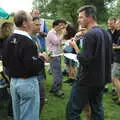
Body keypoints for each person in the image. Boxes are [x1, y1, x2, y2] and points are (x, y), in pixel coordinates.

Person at [66, 5, 112, 120]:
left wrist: (75, 46)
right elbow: (110, 57)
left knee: (72, 111)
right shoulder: (105, 32)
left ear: (90, 17)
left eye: (81, 17)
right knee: (97, 109)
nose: (78, 20)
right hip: (101, 79)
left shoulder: (90, 35)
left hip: (86, 80)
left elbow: (84, 60)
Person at [2, 10, 47, 120]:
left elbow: (5, 62)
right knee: (29, 116)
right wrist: (42, 58)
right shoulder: (28, 41)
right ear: (24, 23)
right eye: (31, 20)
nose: (33, 23)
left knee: (18, 116)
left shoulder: (9, 39)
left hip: (14, 82)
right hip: (27, 83)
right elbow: (33, 68)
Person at [47, 19, 66, 98]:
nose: (62, 27)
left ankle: (54, 88)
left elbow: (59, 43)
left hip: (57, 54)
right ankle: (57, 90)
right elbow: (56, 42)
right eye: (60, 25)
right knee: (57, 74)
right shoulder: (51, 33)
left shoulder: (56, 33)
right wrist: (63, 34)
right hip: (53, 56)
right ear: (55, 25)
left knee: (57, 72)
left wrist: (65, 42)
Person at [31, 16, 47, 113]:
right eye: (36, 25)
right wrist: (41, 56)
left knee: (40, 100)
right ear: (29, 24)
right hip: (34, 74)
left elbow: (39, 52)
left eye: (40, 25)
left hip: (39, 72)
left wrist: (44, 56)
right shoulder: (29, 39)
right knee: (40, 100)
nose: (39, 27)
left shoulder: (36, 37)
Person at [111, 18, 120, 105]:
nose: (115, 25)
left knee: (115, 78)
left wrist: (114, 47)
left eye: (117, 23)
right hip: (117, 58)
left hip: (118, 60)